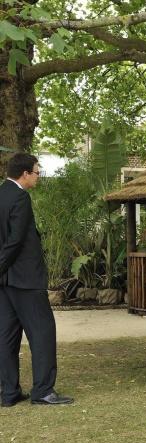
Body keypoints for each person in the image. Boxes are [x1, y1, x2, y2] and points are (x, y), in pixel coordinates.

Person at [0, 153, 73, 406]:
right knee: (42, 332)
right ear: (25, 174)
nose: (38, 176)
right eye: (37, 172)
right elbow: (15, 241)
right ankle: (42, 391)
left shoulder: (0, 194)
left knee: (6, 337)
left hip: (6, 283)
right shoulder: (20, 197)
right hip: (25, 279)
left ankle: (8, 393)